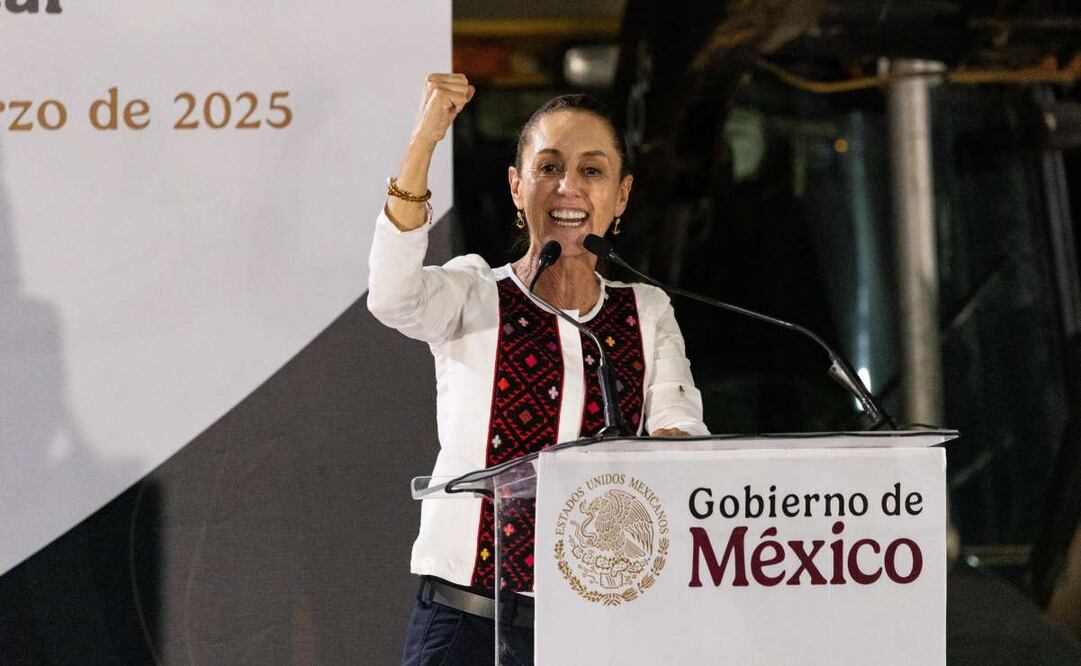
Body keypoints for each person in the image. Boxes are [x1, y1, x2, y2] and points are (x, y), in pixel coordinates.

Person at [367, 73, 708, 665]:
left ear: (621, 196)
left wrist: (672, 454)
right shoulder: (475, 293)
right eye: (548, 167)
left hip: (603, 629)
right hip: (467, 624)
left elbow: (681, 435)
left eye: (591, 170)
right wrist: (423, 141)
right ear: (516, 186)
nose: (567, 187)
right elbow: (392, 296)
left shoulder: (644, 311)